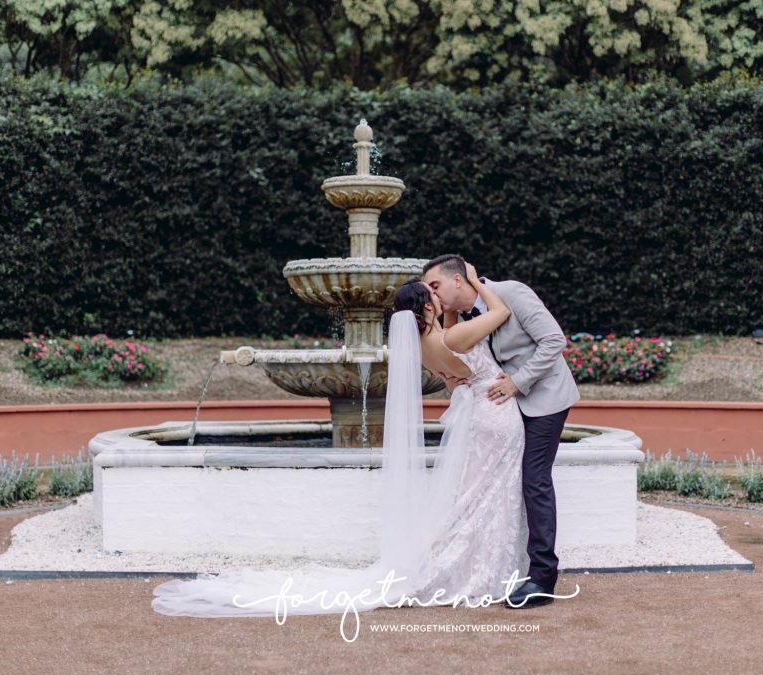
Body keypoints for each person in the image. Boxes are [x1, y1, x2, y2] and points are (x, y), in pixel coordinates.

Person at [151, 262, 543, 629]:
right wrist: (474, 282)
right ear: (425, 306)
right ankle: (481, 571)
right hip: (496, 416)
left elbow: (455, 359)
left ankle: (469, 568)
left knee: (474, 496)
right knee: (488, 496)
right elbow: (501, 313)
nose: (440, 298)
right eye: (433, 294)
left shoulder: (426, 344)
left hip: (479, 414)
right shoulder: (453, 336)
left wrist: (451, 312)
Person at [423, 254, 580, 608]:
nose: (433, 295)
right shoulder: (461, 317)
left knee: (534, 479)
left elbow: (554, 341)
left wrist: (518, 383)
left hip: (545, 399)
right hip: (504, 410)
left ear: (458, 280)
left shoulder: (512, 292)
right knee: (502, 484)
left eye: (436, 286)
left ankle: (543, 577)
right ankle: (510, 567)